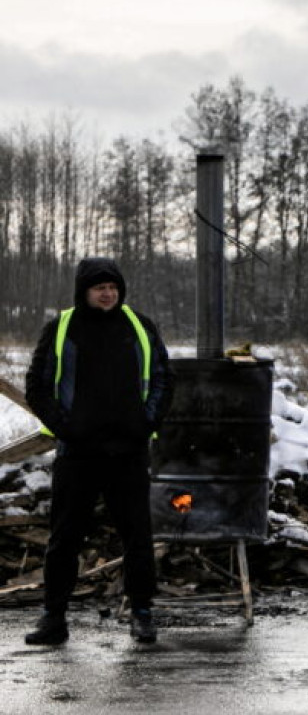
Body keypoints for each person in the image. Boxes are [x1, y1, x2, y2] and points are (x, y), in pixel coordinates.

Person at [23, 257, 173, 646]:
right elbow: (36, 387)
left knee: (137, 537)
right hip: (78, 455)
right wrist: (67, 428)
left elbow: (162, 379)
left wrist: (145, 424)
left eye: (112, 287)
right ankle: (53, 619)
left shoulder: (140, 326)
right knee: (64, 539)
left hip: (128, 454)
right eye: (99, 287)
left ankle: (142, 613)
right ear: (83, 291)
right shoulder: (61, 328)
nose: (107, 293)